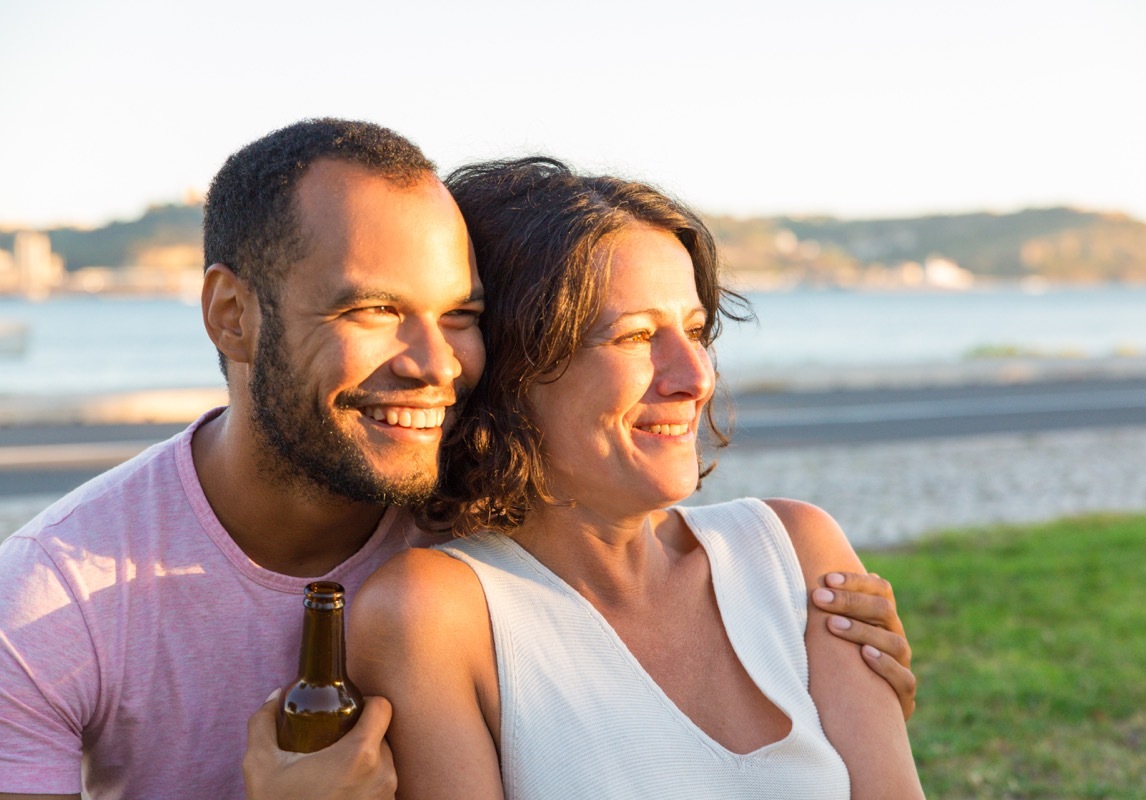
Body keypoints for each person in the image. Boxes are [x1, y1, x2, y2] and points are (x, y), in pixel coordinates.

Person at [0, 121, 913, 800]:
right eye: (371, 311)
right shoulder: (53, 603)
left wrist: (814, 658)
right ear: (231, 316)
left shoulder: (487, 508)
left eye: (461, 316)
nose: (436, 365)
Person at [350, 157, 925, 798]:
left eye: (696, 331)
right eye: (635, 336)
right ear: (511, 368)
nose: (696, 377)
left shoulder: (794, 552)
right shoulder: (436, 615)